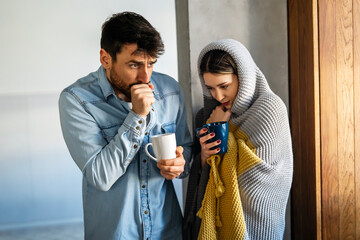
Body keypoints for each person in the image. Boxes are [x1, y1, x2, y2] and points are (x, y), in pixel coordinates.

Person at [59, 12, 192, 240]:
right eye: (134, 65)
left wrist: (181, 163)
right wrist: (138, 116)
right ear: (106, 59)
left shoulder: (169, 90)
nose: (145, 76)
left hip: (167, 230)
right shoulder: (77, 100)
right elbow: (100, 177)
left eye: (151, 64)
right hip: (115, 233)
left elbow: (187, 150)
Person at [183, 39, 293, 239]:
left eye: (224, 86)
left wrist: (222, 130)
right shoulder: (206, 115)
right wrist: (204, 157)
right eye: (210, 88)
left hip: (258, 224)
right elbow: (203, 174)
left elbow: (262, 177)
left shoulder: (270, 109)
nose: (218, 96)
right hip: (212, 224)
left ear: (243, 76)